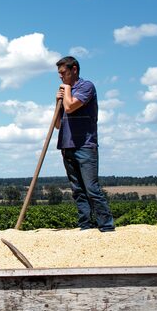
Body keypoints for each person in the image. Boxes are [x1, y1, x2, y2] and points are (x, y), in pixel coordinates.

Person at [54, 56, 115, 232]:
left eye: (63, 73)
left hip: (85, 146)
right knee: (77, 190)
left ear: (74, 69)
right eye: (59, 74)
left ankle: (106, 226)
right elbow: (58, 124)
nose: (60, 77)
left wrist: (66, 90)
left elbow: (71, 107)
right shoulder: (64, 93)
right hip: (67, 146)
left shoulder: (86, 87)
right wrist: (56, 100)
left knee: (91, 188)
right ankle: (85, 226)